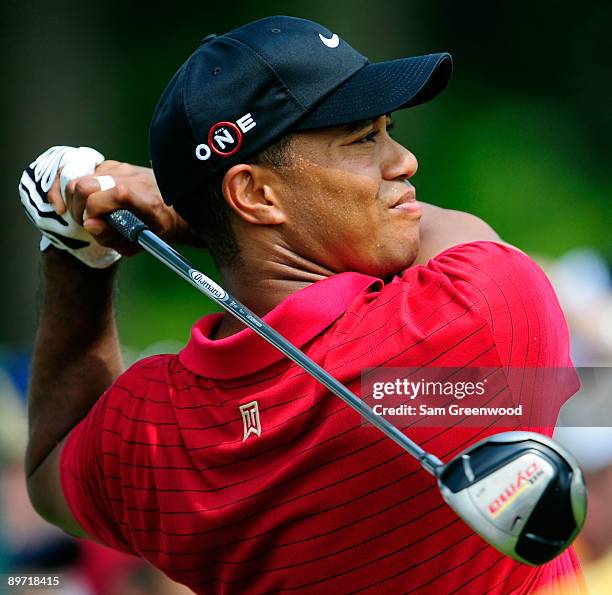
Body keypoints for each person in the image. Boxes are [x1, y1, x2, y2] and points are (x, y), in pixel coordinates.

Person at [20, 16, 585, 594]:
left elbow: (46, 471)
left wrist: (74, 249)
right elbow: (456, 237)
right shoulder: (473, 319)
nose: (404, 160)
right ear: (257, 194)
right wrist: (184, 216)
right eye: (364, 139)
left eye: (388, 130)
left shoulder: (155, 432)